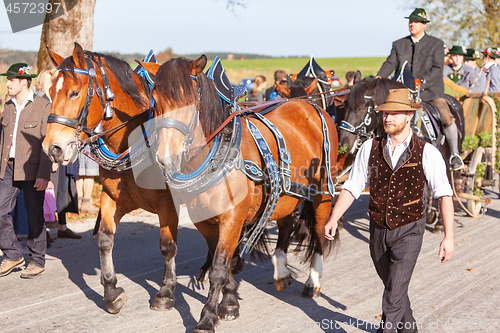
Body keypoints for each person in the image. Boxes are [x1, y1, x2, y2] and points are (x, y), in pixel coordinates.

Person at [324, 88, 454, 333]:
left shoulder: (428, 152)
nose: (388, 118)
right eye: (385, 113)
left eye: (395, 113)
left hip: (410, 230)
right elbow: (352, 186)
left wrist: (449, 237)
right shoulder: (369, 148)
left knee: (392, 297)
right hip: (378, 230)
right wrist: (334, 217)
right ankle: (409, 330)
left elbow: (444, 194)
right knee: (395, 287)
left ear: (409, 117)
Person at [376, 8, 464, 171]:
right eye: (410, 21)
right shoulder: (399, 44)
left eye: (416, 22)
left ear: (424, 24)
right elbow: (390, 64)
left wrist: (421, 83)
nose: (412, 24)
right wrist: (378, 78)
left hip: (430, 93)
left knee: (446, 116)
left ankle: (454, 154)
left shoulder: (436, 44)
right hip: (402, 93)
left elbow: (438, 69)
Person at [0, 63, 52, 279]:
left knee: (34, 216)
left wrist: (44, 174)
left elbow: (47, 142)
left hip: (32, 169)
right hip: (8, 167)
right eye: (7, 79)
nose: (7, 83)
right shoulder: (8, 105)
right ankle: (12, 254)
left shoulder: (43, 106)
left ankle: (37, 260)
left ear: (24, 81)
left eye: (11, 80)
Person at [76, 149, 99, 214]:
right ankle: (86, 202)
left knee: (80, 173)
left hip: (79, 144)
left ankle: (79, 202)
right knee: (90, 173)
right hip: (90, 145)